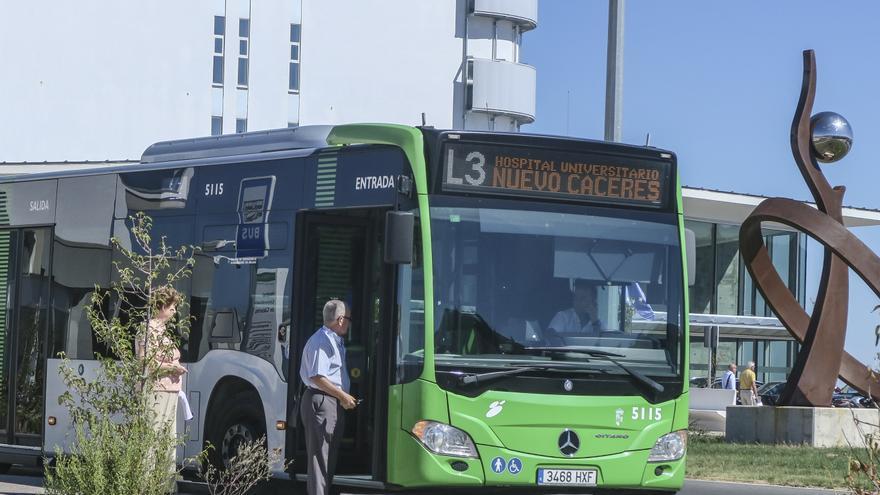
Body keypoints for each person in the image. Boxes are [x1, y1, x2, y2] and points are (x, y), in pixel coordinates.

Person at [300, 300, 358, 495]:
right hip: (322, 401)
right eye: (349, 319)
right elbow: (317, 376)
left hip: (330, 402)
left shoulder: (332, 340)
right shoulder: (322, 341)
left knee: (327, 461)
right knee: (320, 462)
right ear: (340, 319)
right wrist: (343, 396)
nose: (349, 324)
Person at [136, 285, 187, 483]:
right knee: (153, 440)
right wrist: (171, 369)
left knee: (167, 442)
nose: (174, 310)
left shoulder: (163, 331)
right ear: (161, 306)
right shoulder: (148, 329)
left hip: (169, 390)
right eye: (171, 306)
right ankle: (148, 485)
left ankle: (165, 485)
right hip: (156, 391)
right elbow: (145, 362)